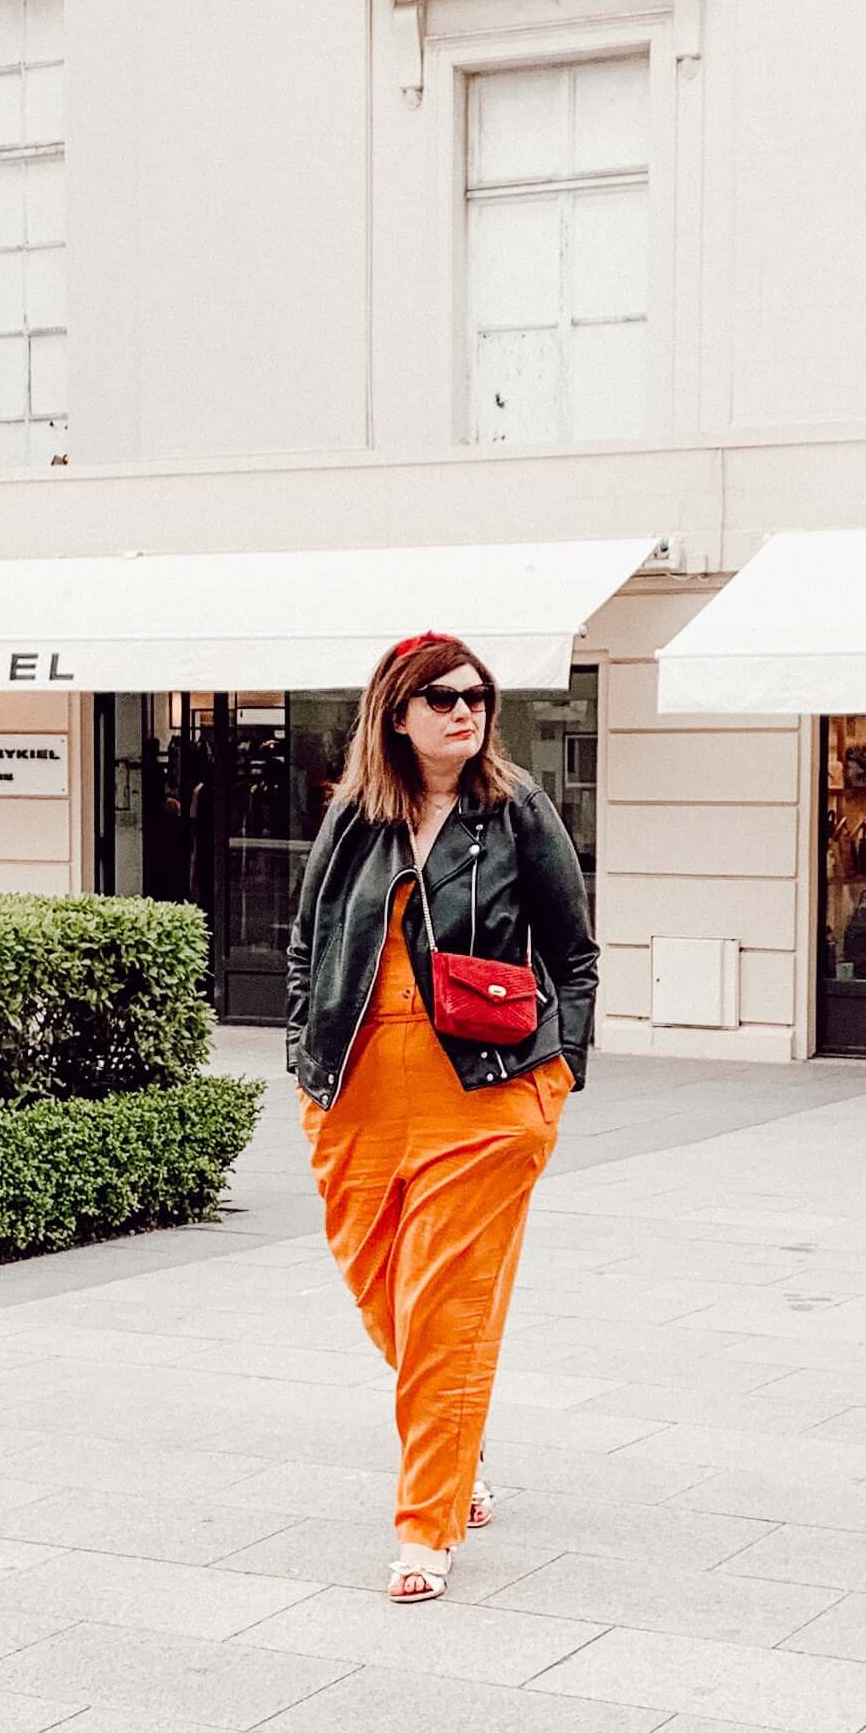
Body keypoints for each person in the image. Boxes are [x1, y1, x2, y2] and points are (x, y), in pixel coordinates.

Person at [286, 631, 599, 1604]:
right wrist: (305, 1054)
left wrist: (559, 1079)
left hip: (487, 1086)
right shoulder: (354, 815)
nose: (465, 710)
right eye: (442, 697)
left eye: (476, 695)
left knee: (445, 1304)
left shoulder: (515, 811)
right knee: (387, 1289)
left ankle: (427, 1525)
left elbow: (574, 950)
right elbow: (305, 942)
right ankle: (455, 1440)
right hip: (359, 1080)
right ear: (398, 712)